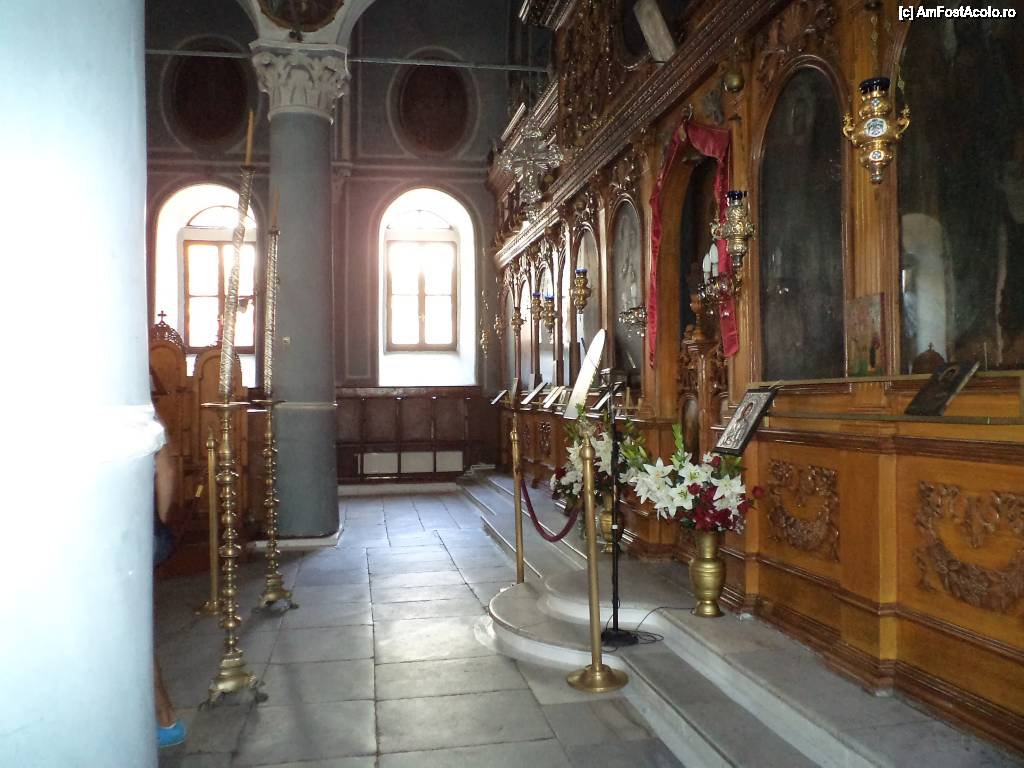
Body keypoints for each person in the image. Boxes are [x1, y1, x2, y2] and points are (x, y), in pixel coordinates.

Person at [154, 434, 187, 749]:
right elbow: (166, 468)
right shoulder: (141, 415)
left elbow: (166, 468)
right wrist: (158, 524)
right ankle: (165, 717)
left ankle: (165, 717)